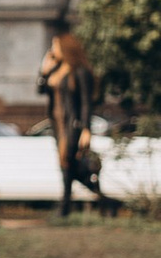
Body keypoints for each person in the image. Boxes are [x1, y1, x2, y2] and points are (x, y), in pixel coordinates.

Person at [41, 27, 117, 218]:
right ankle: (105, 201)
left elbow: (85, 102)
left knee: (67, 163)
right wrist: (44, 71)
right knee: (67, 166)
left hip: (73, 125)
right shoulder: (56, 71)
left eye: (55, 46)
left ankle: (64, 207)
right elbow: (41, 90)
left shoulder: (80, 72)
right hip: (58, 125)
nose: (52, 50)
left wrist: (86, 129)